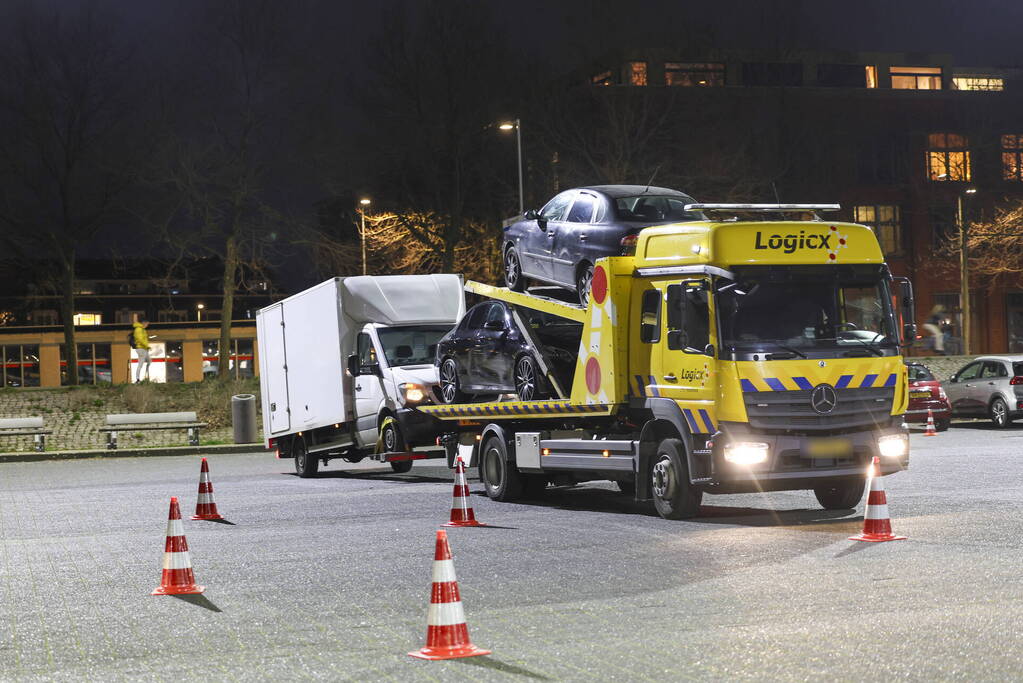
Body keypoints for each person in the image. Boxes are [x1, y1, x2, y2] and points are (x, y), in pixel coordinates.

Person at [133, 316, 152, 381]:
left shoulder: (142, 329)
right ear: (144, 322)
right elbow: (140, 339)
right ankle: (138, 379)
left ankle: (146, 376)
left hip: (144, 348)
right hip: (141, 348)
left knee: (149, 361)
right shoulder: (138, 329)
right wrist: (147, 346)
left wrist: (146, 347)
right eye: (147, 324)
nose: (147, 325)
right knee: (140, 364)